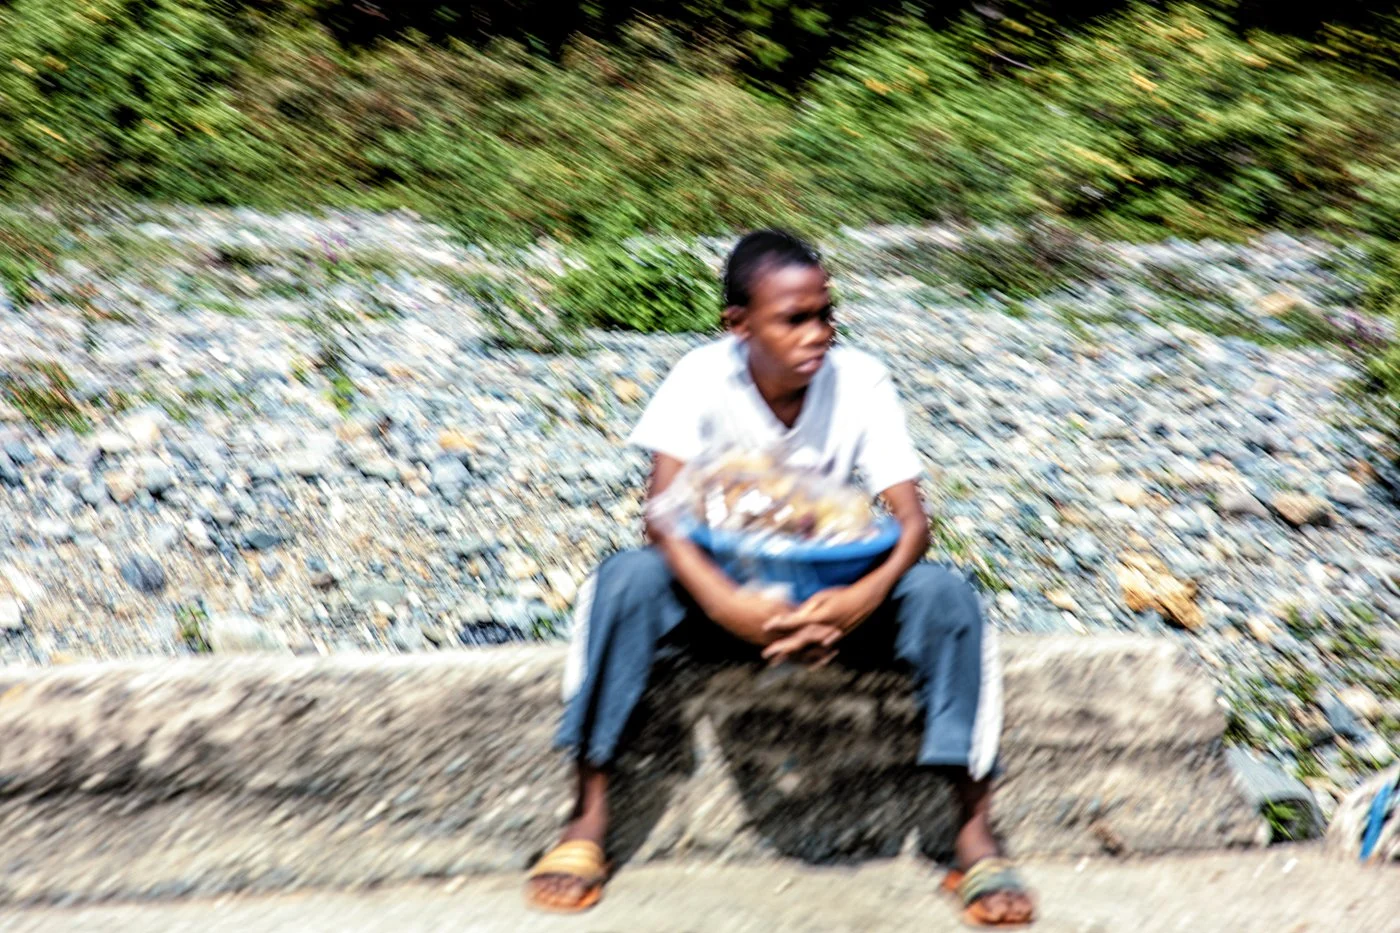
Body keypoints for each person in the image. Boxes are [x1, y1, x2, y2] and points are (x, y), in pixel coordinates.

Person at [525, 230, 1036, 927]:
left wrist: (859, 600)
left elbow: (912, 523)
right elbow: (663, 517)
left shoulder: (860, 379)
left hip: (833, 599)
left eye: (826, 314)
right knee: (623, 581)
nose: (818, 333)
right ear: (738, 325)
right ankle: (586, 817)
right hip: (723, 598)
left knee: (948, 596)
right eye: (794, 318)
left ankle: (974, 829)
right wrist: (733, 605)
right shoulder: (702, 377)